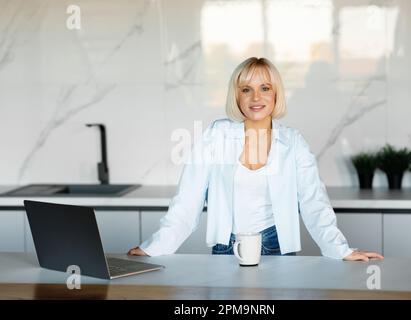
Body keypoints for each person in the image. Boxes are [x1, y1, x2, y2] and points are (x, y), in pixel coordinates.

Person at [128, 57, 384, 262]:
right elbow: (188, 200)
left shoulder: (293, 142)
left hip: (277, 247)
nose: (256, 98)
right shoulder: (216, 135)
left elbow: (314, 203)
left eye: (265, 88)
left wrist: (341, 250)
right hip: (227, 248)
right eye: (246, 89)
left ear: (276, 94)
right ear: (236, 96)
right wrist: (155, 247)